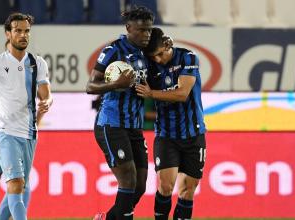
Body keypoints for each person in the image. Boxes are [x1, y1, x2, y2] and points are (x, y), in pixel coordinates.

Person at [86, 6, 154, 220]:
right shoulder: (113, 50)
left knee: (140, 185)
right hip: (112, 124)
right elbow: (90, 86)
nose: (146, 35)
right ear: (128, 28)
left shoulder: (145, 53)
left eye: (149, 30)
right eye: (142, 30)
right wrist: (116, 83)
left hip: (134, 126)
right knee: (128, 180)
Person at [135, 27, 207, 220]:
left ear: (168, 44)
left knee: (187, 190)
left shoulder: (188, 58)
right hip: (167, 135)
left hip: (194, 133)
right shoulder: (149, 66)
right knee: (165, 186)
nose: (157, 59)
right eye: (153, 56)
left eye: (160, 54)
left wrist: (152, 94)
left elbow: (183, 94)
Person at [0, 12, 52, 220]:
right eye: (18, 31)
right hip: (4, 132)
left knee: (16, 183)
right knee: (13, 182)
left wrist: (46, 102)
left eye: (26, 31)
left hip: (29, 132)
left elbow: (46, 94)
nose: (23, 35)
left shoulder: (37, 63)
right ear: (8, 34)